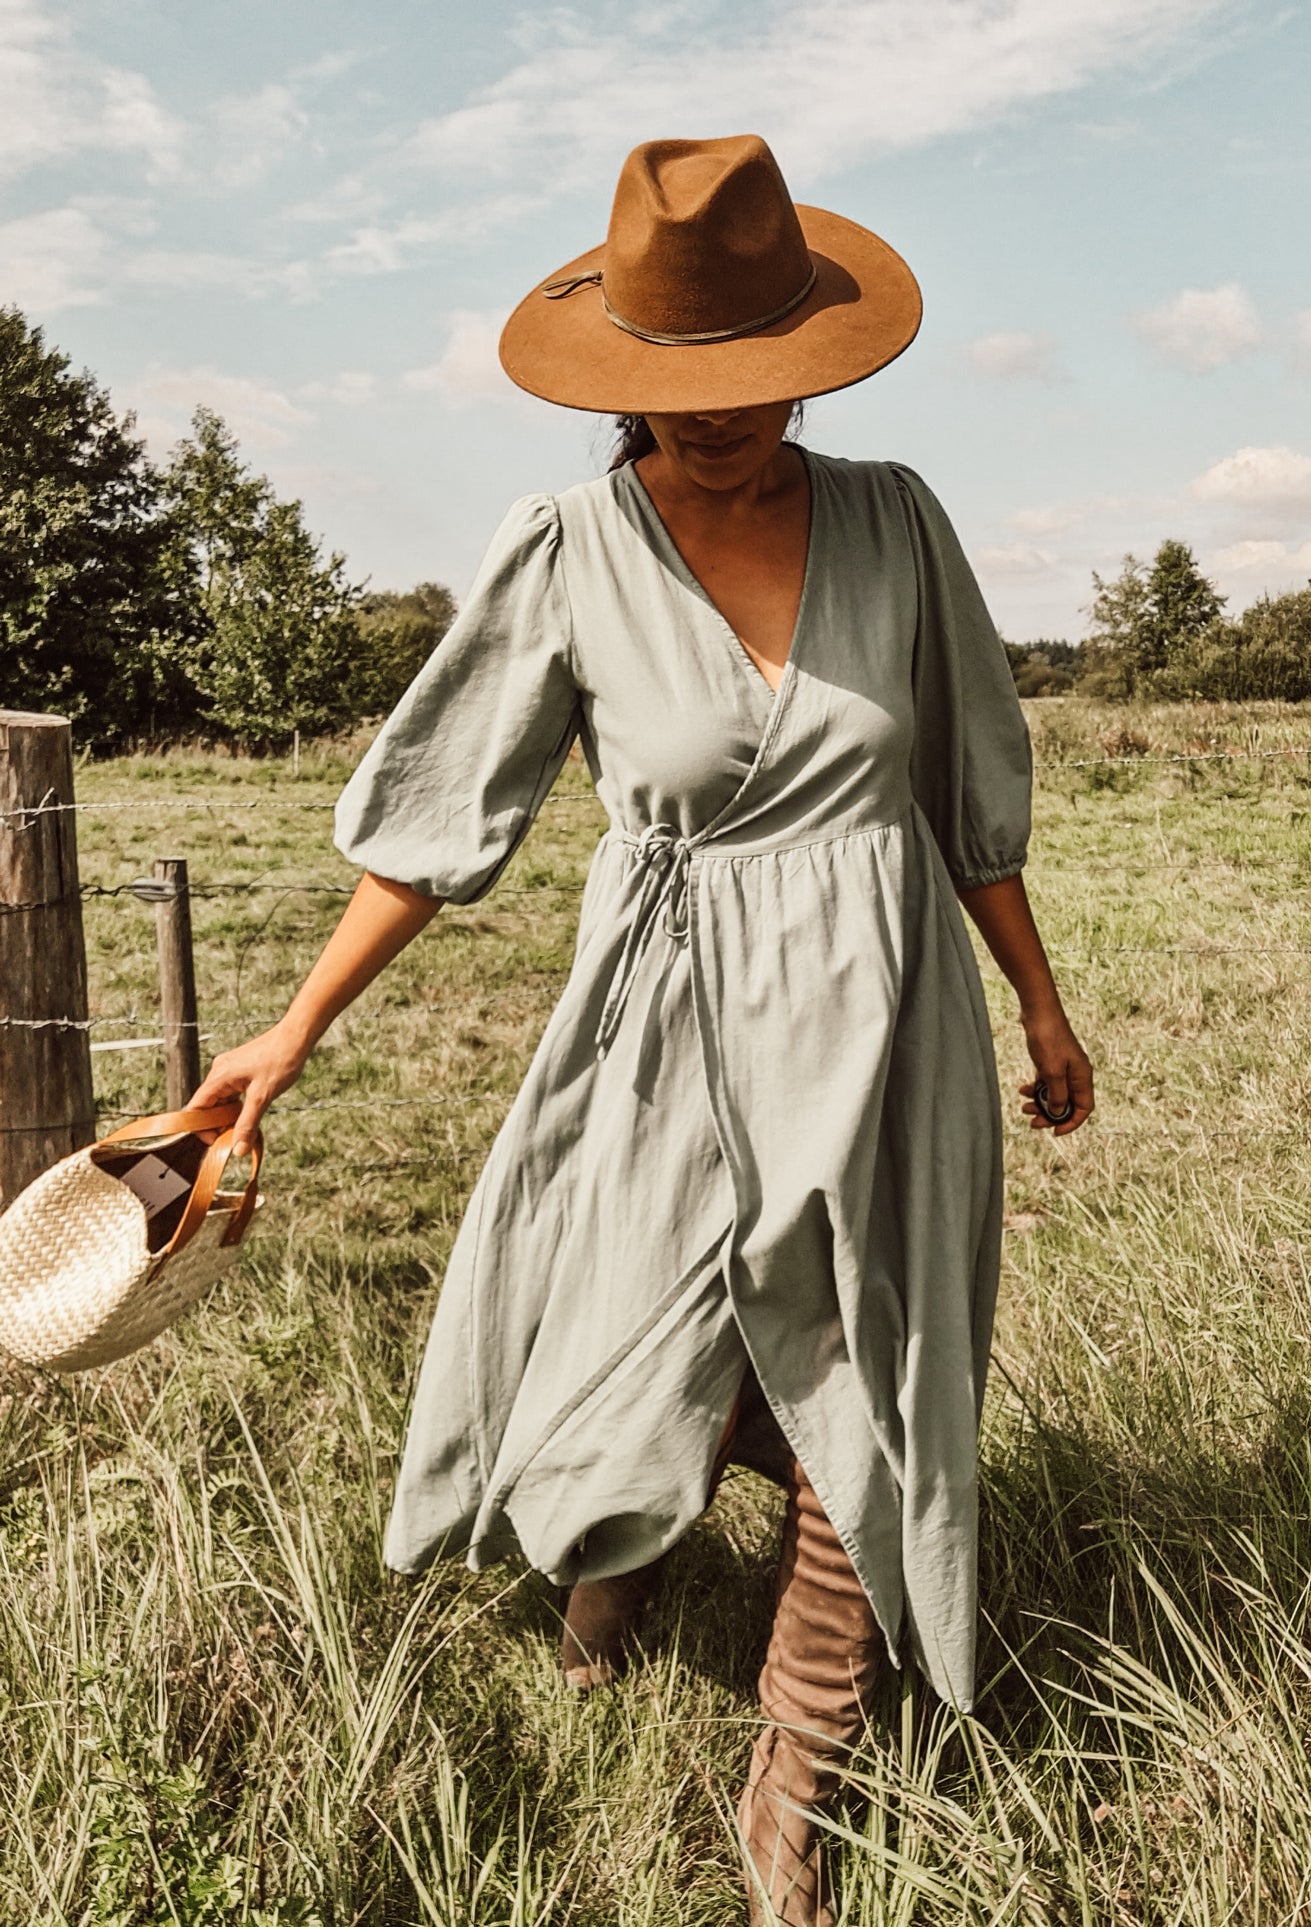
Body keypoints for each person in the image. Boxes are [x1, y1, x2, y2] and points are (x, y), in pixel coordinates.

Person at [193, 133, 1095, 1927]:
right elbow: (444, 826)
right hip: (664, 1015)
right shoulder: (568, 550)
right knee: (625, 1338)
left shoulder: (898, 520)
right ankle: (611, 1562)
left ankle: (796, 1771)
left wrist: (1040, 998)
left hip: (885, 1011)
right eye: (684, 395)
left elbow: (963, 785)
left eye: (756, 387)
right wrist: (282, 1043)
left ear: (806, 362)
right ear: (621, 384)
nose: (723, 421)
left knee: (873, 1365)